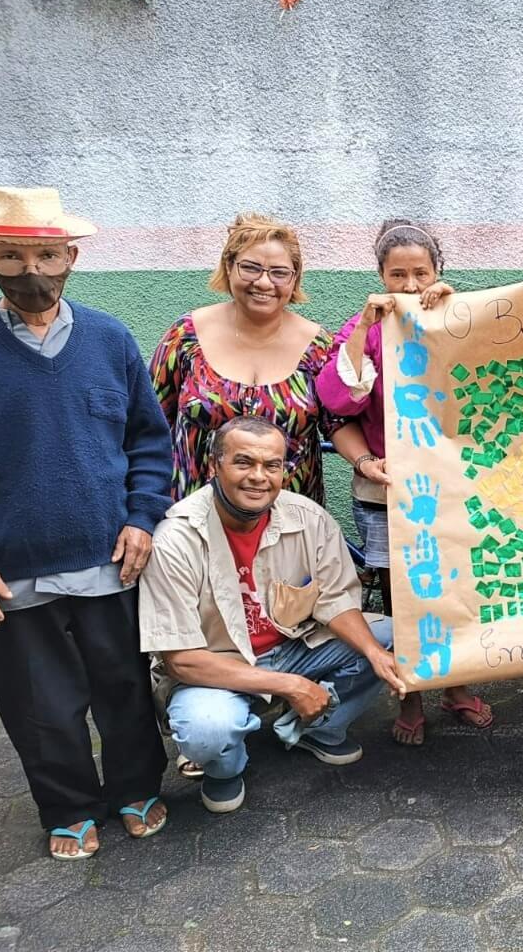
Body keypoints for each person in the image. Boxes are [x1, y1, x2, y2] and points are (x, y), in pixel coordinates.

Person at [0, 187, 171, 859]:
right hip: (16, 573)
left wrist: (143, 518)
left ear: (71, 256)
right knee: (41, 705)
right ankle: (67, 806)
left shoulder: (108, 338)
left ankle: (134, 788)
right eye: (10, 257)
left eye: (44, 254)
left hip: (109, 557)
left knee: (123, 684)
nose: (29, 271)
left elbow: (148, 443)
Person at [139, 416, 408, 814]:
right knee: (208, 729)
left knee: (387, 638)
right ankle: (225, 767)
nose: (259, 477)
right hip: (217, 666)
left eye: (272, 465)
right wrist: (291, 686)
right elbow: (181, 660)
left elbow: (336, 602)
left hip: (294, 647)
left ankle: (316, 729)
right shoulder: (176, 539)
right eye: (243, 462)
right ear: (216, 466)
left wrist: (374, 654)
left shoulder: (308, 518)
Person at [315, 219, 493, 745]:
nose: (411, 285)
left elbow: (487, 384)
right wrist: (368, 461)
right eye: (399, 275)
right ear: (380, 277)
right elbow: (338, 401)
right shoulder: (365, 331)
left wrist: (458, 312)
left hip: (454, 487)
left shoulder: (454, 317)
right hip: (387, 491)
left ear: (439, 272)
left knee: (459, 584)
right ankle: (410, 691)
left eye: (422, 272)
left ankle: (457, 687)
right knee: (403, 594)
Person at [149, 212, 365, 506]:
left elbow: (338, 421)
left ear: (294, 278)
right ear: (229, 266)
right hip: (195, 524)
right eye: (250, 268)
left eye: (279, 273)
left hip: (289, 527)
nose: (264, 283)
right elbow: (150, 424)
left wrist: (366, 462)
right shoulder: (185, 338)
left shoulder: (319, 347)